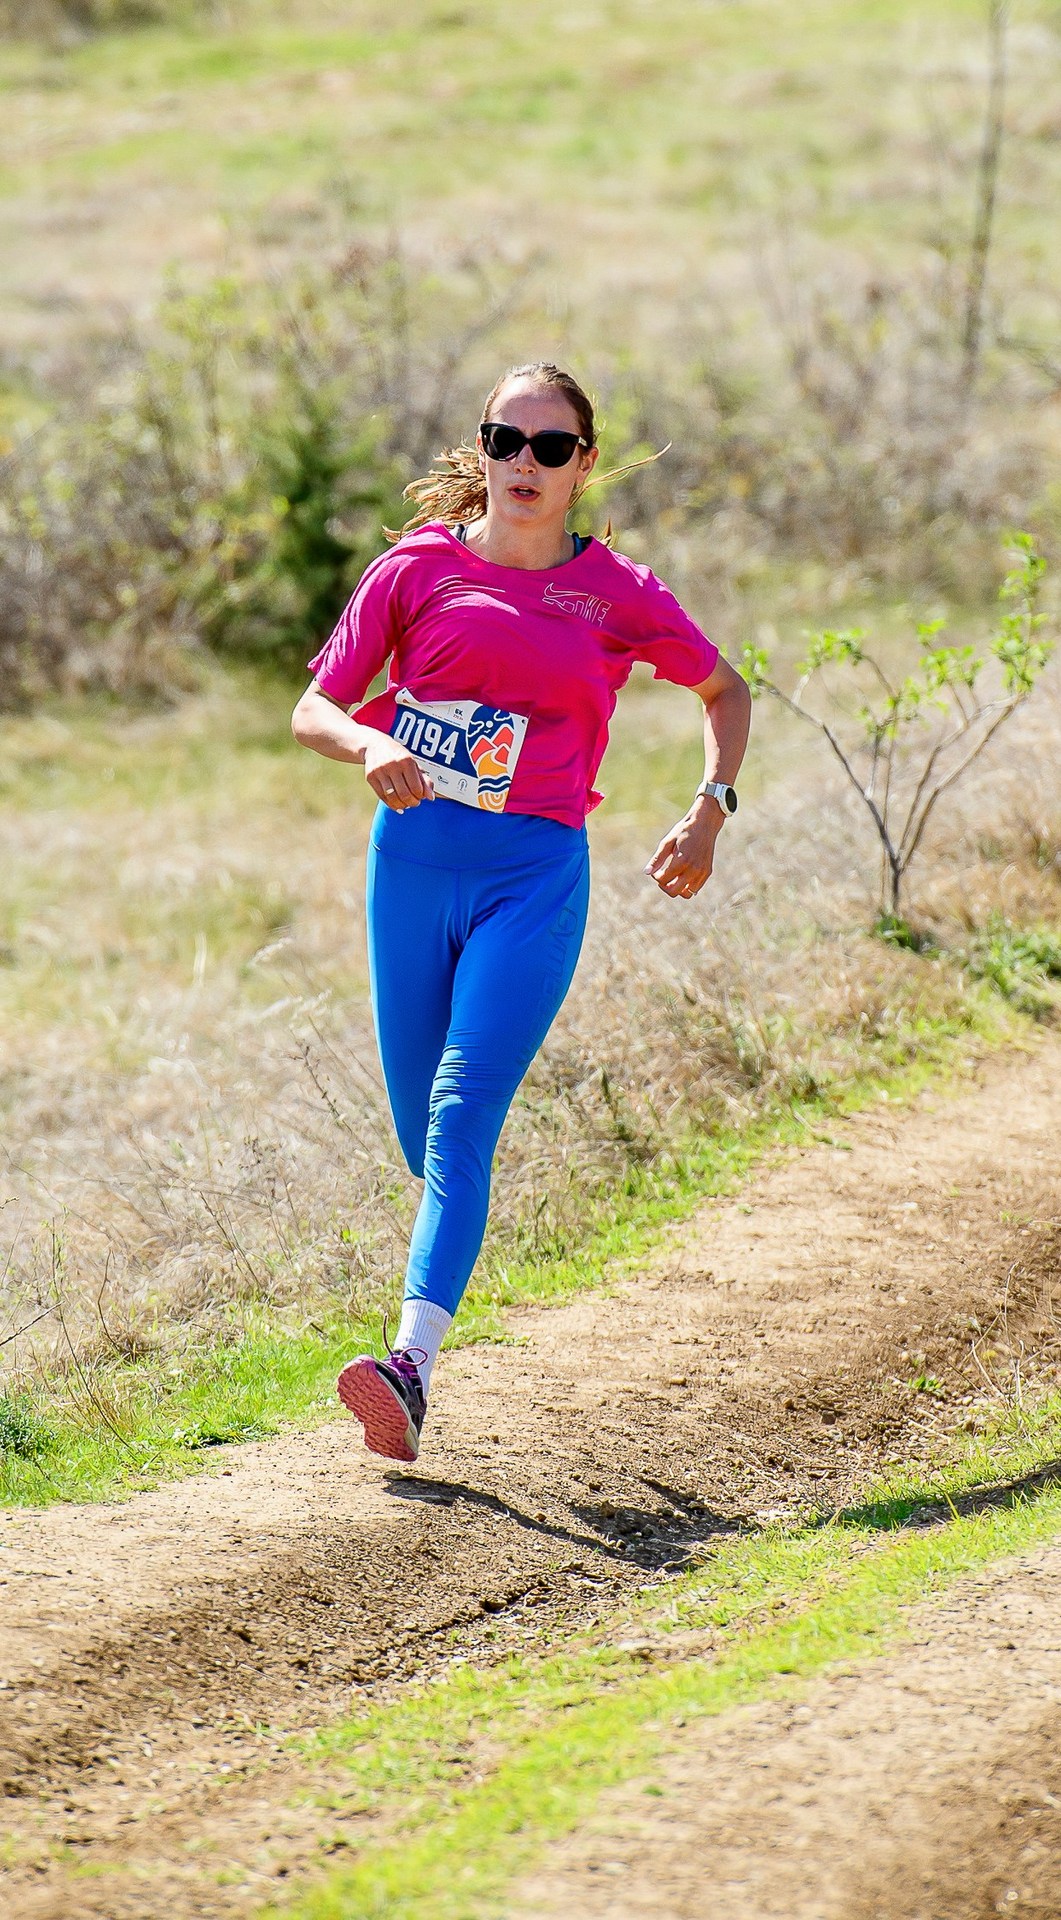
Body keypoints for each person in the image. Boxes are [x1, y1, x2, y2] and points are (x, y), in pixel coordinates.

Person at [291, 362, 752, 1463]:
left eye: (552, 448)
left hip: (531, 878)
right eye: (507, 441)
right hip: (409, 871)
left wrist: (710, 809)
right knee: (426, 1138)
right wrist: (370, 742)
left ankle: (407, 1369)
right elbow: (316, 705)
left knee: (457, 1115)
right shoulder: (414, 573)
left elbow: (723, 692)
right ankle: (446, 1262)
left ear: (584, 464)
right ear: (483, 450)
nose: (525, 466)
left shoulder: (619, 595)